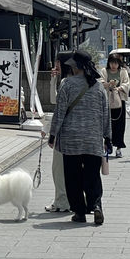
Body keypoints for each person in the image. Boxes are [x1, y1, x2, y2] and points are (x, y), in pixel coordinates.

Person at [48, 51, 111, 226]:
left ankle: (79, 212)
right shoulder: (98, 87)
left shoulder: (66, 84)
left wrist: (53, 134)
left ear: (76, 67)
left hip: (71, 140)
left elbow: (59, 112)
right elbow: (105, 114)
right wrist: (108, 137)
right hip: (93, 138)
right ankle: (96, 205)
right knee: (92, 175)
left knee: (73, 177)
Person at [43, 51, 73, 213]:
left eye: (58, 63)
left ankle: (62, 201)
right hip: (79, 134)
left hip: (64, 134)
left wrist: (50, 132)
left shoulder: (66, 83)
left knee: (59, 169)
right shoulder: (82, 81)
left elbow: (56, 105)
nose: (55, 66)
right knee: (72, 170)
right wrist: (53, 79)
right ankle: (72, 200)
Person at [100, 54, 130, 158]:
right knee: (107, 124)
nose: (114, 65)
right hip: (107, 101)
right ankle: (108, 144)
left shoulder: (123, 71)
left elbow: (127, 83)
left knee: (120, 125)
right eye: (112, 62)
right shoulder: (104, 71)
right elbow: (100, 82)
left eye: (116, 63)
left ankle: (119, 147)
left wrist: (119, 88)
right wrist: (108, 84)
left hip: (119, 101)